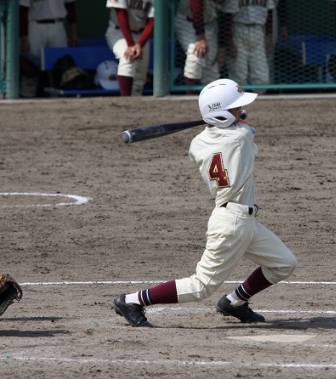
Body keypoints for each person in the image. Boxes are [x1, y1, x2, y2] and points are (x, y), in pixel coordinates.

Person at [111, 79, 297, 327]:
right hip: (231, 223)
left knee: (284, 263)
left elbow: (231, 127)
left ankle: (234, 302)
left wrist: (231, 115)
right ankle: (131, 301)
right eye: (235, 108)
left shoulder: (198, 144)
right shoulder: (241, 137)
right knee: (201, 286)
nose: (240, 111)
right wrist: (237, 118)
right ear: (221, 114)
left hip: (242, 219)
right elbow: (245, 127)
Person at [18, 0, 79, 97]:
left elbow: (70, 5)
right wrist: (24, 37)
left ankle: (57, 101)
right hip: (35, 26)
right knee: (30, 69)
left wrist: (74, 32)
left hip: (58, 25)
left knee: (59, 67)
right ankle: (25, 100)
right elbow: (22, 10)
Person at [175, 0, 239, 93]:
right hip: (187, 22)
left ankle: (209, 102)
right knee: (196, 56)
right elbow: (195, 3)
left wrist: (222, 47)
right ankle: (189, 99)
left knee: (212, 68)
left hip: (210, 24)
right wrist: (201, 37)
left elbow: (226, 17)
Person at [105, 0, 155, 97]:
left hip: (141, 36)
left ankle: (134, 107)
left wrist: (139, 44)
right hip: (119, 32)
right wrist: (131, 44)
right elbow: (121, 14)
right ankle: (125, 102)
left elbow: (153, 21)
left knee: (139, 79)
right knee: (128, 59)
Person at [229, 0, 275, 89]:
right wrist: (229, 39)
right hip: (237, 29)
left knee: (262, 79)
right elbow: (225, 15)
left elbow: (269, 10)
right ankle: (237, 102)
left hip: (258, 31)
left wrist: (269, 35)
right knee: (238, 77)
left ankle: (258, 102)